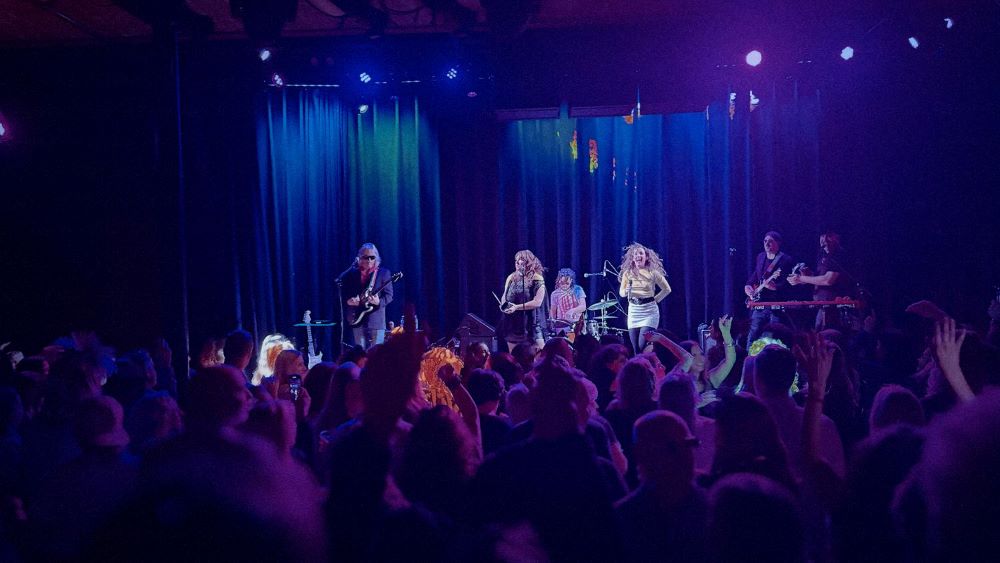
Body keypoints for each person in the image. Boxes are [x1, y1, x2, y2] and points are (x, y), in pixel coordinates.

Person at [787, 232, 855, 330]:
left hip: (836, 307)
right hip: (821, 305)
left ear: (838, 237)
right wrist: (806, 277)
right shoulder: (822, 255)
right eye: (822, 236)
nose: (825, 239)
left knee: (832, 338)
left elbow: (828, 280)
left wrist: (801, 278)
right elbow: (819, 278)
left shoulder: (840, 255)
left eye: (829, 236)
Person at [744, 231, 797, 347]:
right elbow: (756, 276)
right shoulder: (760, 257)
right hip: (759, 305)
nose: (767, 243)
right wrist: (748, 286)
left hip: (776, 305)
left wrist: (775, 287)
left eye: (771, 241)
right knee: (752, 335)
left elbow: (788, 284)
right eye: (765, 241)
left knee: (773, 335)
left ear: (778, 243)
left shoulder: (785, 260)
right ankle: (748, 361)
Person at [618, 243, 671, 354]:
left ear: (646, 257)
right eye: (635, 254)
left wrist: (655, 300)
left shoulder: (653, 272)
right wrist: (626, 291)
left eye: (641, 253)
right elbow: (621, 293)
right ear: (632, 258)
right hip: (634, 311)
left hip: (649, 312)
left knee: (643, 346)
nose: (638, 255)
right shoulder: (628, 273)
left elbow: (667, 289)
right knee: (636, 349)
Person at [339, 243, 395, 350]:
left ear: (376, 258)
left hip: (376, 322)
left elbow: (389, 296)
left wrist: (378, 302)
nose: (369, 260)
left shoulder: (383, 273)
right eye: (366, 257)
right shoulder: (353, 274)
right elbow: (346, 293)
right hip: (358, 320)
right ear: (360, 258)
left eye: (372, 257)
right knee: (361, 354)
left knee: (376, 355)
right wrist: (349, 301)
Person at [499, 250, 546, 352]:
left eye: (522, 263)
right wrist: (503, 305)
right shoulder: (511, 277)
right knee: (514, 358)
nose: (519, 266)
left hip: (530, 324)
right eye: (517, 263)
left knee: (540, 355)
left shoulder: (537, 278)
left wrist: (516, 307)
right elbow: (504, 296)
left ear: (529, 264)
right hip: (513, 324)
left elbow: (538, 302)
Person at [548, 268, 587, 338]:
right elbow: (553, 311)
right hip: (562, 325)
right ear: (558, 280)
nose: (564, 285)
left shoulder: (577, 289)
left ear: (571, 280)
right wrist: (552, 322)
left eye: (567, 283)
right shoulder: (555, 294)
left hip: (577, 324)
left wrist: (572, 310)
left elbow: (583, 306)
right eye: (562, 283)